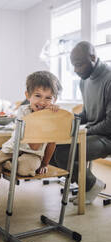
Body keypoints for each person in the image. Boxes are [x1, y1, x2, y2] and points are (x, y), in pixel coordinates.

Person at [0, 70, 62, 225]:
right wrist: (44, 117)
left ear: (54, 100)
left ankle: (7, 165)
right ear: (27, 95)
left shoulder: (54, 117)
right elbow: (31, 140)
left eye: (48, 98)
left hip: (33, 153)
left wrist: (44, 164)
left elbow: (47, 144)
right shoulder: (23, 111)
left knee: (25, 169)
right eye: (38, 96)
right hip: (11, 149)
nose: (42, 102)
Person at [51, 41, 111, 205]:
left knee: (63, 153)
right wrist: (66, 120)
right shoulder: (84, 80)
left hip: (107, 138)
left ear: (93, 57)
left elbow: (109, 124)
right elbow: (87, 113)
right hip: (94, 134)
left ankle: (91, 185)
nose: (76, 70)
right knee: (50, 148)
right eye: (74, 66)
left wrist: (82, 132)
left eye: (79, 65)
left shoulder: (109, 79)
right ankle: (89, 183)